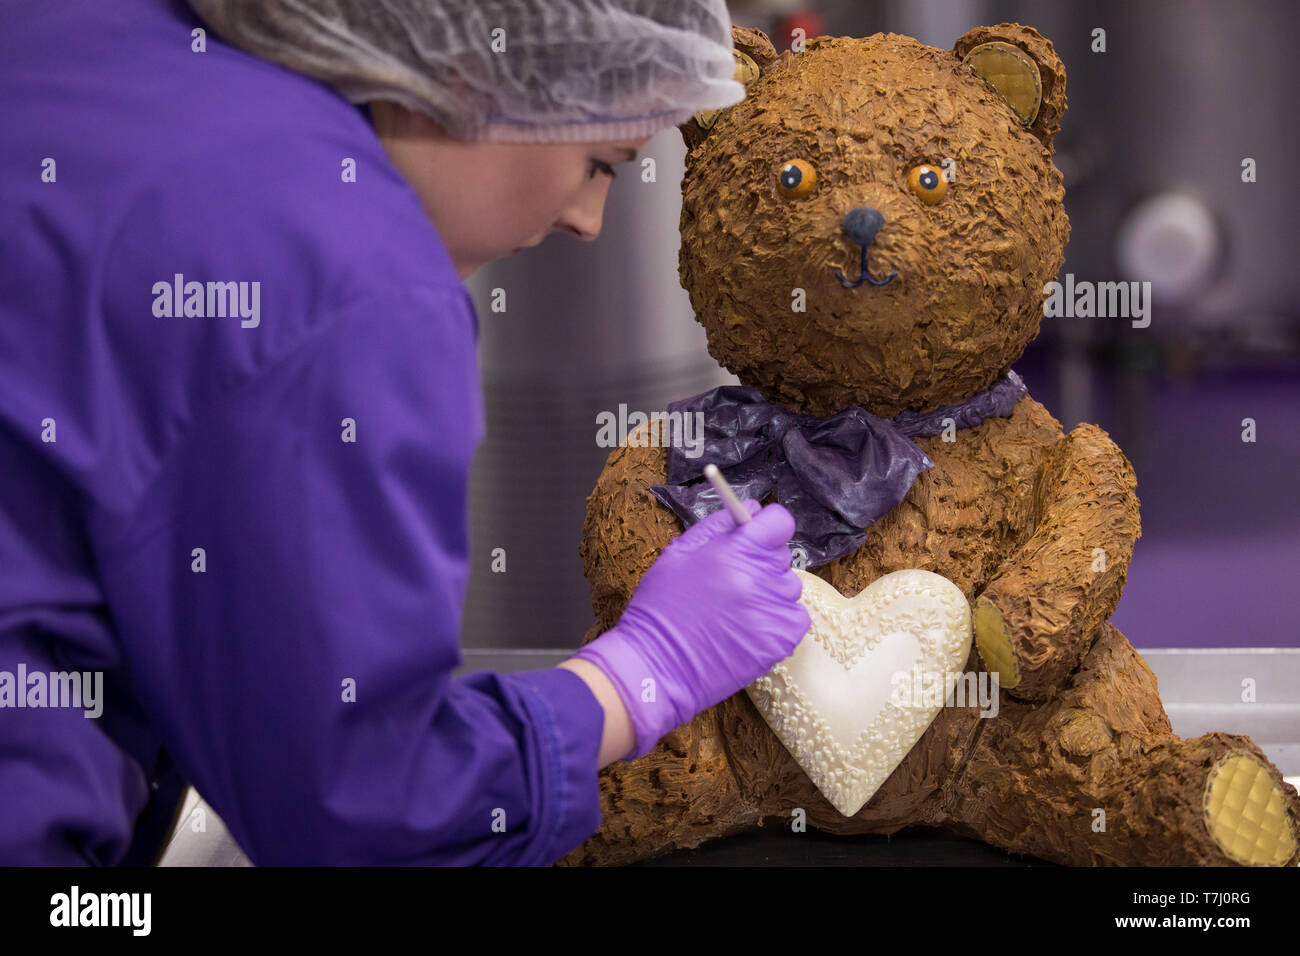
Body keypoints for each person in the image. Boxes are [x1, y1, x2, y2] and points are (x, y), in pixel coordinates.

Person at [0, 0, 811, 865]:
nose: (589, 220)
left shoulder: (79, 30)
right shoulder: (342, 275)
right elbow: (364, 810)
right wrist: (642, 675)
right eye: (603, 161)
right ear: (481, 62)